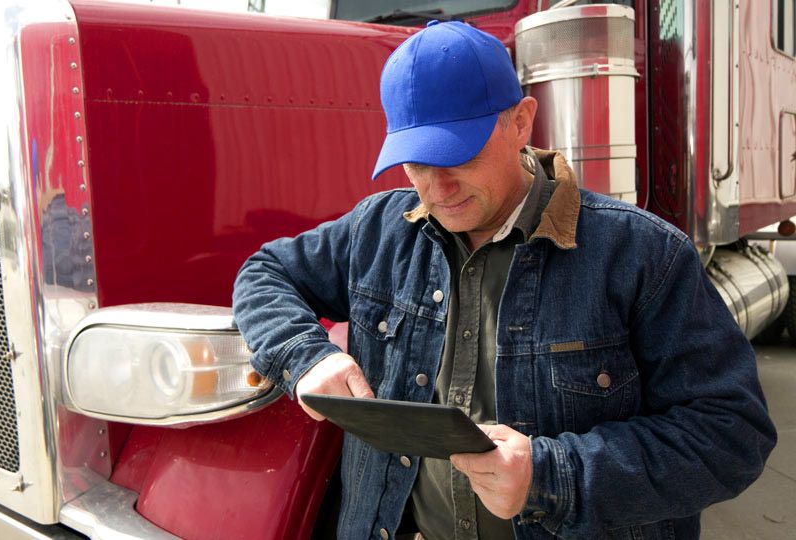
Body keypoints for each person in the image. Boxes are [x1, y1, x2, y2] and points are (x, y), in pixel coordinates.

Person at [232, 20, 776, 540]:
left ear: (520, 121)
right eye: (416, 163)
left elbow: (730, 435)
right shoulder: (378, 230)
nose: (437, 187)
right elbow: (264, 272)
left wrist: (549, 474)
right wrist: (305, 356)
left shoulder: (642, 255)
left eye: (458, 156)